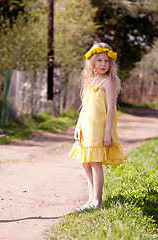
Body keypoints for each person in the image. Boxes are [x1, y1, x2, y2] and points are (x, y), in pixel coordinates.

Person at [69, 42, 124, 211]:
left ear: (111, 64)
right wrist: (78, 125)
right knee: (86, 162)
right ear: (92, 62)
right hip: (86, 126)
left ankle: (98, 202)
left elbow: (110, 110)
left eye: (106, 61)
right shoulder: (91, 81)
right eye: (99, 60)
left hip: (98, 129)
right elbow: (84, 106)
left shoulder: (107, 82)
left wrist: (107, 132)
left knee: (95, 162)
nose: (103, 64)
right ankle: (91, 197)